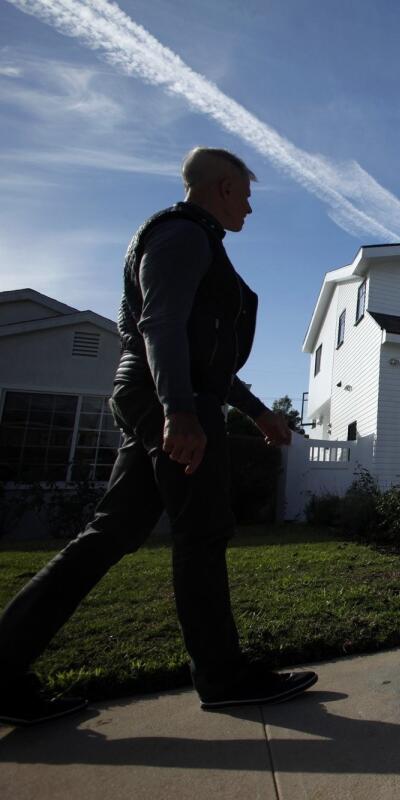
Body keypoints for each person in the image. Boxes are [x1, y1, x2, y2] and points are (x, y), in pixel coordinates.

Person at [0, 147, 317, 727]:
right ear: (223, 188)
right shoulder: (181, 236)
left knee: (110, 534)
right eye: (245, 194)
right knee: (202, 532)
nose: (249, 207)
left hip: (168, 397)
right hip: (170, 400)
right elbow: (161, 325)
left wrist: (252, 410)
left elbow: (201, 350)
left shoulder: (192, 239)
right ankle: (223, 678)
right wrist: (179, 412)